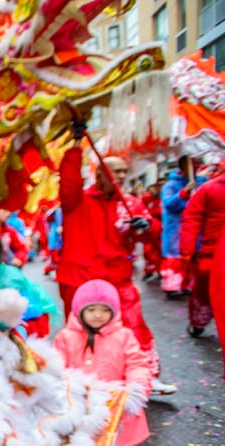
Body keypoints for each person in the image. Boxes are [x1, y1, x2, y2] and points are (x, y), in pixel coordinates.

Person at [58, 121, 176, 394]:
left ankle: (144, 377)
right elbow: (69, 181)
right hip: (80, 279)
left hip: (119, 280)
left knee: (134, 327)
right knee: (80, 333)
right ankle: (82, 381)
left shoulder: (131, 204)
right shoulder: (77, 200)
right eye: (115, 171)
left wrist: (148, 229)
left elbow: (151, 235)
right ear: (99, 174)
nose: (121, 176)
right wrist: (76, 146)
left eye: (124, 171)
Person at [53, 280, 152, 446]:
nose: (98, 315)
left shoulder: (124, 336)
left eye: (105, 309)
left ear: (113, 311)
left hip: (118, 412)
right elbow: (55, 367)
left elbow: (138, 364)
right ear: (80, 311)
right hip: (81, 412)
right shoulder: (66, 337)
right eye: (92, 309)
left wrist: (135, 388)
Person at [180, 166, 225, 350]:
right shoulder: (209, 189)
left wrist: (187, 251)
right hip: (212, 253)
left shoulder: (208, 188)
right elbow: (192, 219)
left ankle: (199, 321)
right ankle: (199, 320)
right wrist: (187, 250)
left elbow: (191, 219)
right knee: (204, 290)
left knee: (205, 290)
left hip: (211, 254)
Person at [161, 157, 205, 295]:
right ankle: (173, 286)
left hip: (197, 228)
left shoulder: (203, 183)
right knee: (175, 257)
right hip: (176, 229)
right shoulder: (170, 185)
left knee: (194, 256)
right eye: (192, 163)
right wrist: (184, 193)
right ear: (182, 165)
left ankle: (189, 284)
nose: (197, 166)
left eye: (198, 163)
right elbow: (169, 203)